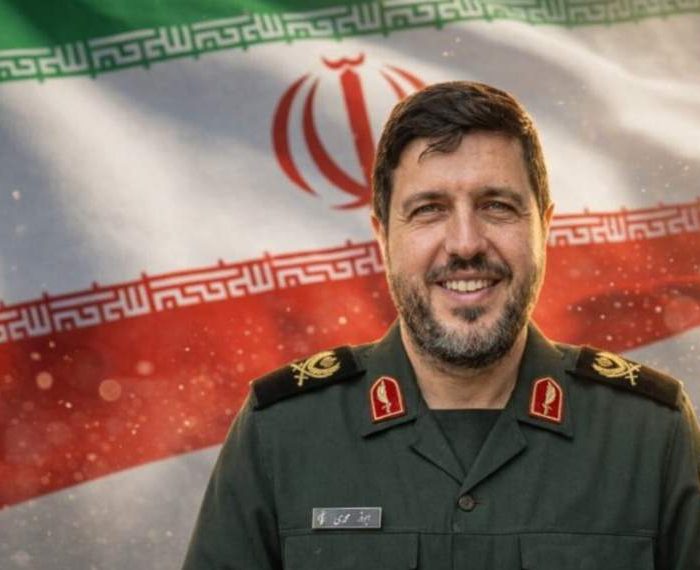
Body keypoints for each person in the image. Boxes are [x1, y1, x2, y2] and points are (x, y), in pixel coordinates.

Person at [182, 81, 700, 569]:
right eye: (429, 210)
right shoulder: (281, 432)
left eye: (497, 206)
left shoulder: (650, 435)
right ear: (383, 238)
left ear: (544, 228)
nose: (465, 243)